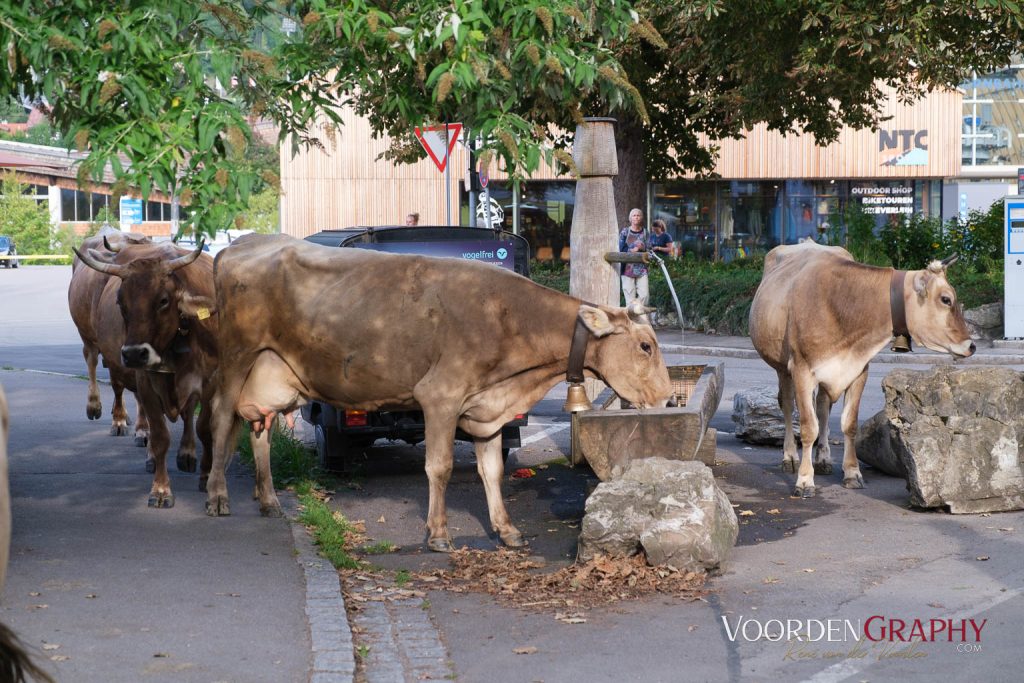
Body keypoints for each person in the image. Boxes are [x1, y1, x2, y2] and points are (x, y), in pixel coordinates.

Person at [618, 207, 649, 307]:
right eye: (634, 215)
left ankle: (639, 314)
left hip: (641, 269)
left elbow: (650, 249)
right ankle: (631, 320)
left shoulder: (645, 232)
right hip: (627, 270)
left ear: (641, 218)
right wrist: (633, 250)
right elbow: (621, 248)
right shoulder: (625, 232)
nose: (636, 217)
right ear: (630, 218)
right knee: (629, 298)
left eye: (638, 215)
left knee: (645, 295)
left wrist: (642, 247)